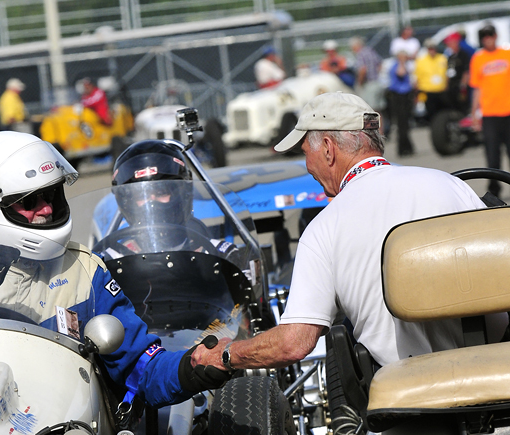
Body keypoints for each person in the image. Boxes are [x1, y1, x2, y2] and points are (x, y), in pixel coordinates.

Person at [0, 132, 227, 404]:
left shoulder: (84, 268)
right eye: (28, 201)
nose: (45, 209)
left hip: (65, 431)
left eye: (52, 195)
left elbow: (141, 366)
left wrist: (192, 365)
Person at [189, 92, 497, 376]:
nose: (306, 163)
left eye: (304, 150)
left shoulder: (324, 227)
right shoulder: (450, 184)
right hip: (492, 369)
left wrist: (226, 354)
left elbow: (293, 343)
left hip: (410, 392)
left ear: (327, 148)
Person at [97, 140, 240, 262]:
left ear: (183, 193)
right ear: (127, 202)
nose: (152, 202)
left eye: (161, 192)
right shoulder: (110, 261)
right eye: (142, 195)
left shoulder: (219, 254)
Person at [469, 22, 510, 198]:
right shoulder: (478, 59)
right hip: (490, 115)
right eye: (484, 37)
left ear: (495, 36)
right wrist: (474, 114)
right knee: (493, 157)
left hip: (508, 112)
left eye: (490, 36)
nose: (488, 40)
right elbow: (476, 88)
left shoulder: (507, 54)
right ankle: (494, 190)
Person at [387, 49, 415, 156]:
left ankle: (408, 146)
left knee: (406, 123)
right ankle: (402, 148)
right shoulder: (397, 66)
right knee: (401, 123)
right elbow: (401, 73)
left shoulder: (407, 65)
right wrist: (402, 62)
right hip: (398, 96)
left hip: (406, 96)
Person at [414, 39, 448, 120]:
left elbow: (446, 74)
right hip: (427, 91)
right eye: (430, 48)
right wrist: (417, 94)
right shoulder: (421, 61)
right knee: (431, 113)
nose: (432, 50)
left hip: (441, 91)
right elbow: (417, 78)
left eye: (433, 48)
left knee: (442, 112)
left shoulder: (442, 58)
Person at [350, 36, 384, 111]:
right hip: (377, 82)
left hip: (369, 85)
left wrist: (360, 83)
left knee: (370, 111)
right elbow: (380, 64)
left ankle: (373, 123)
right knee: (378, 111)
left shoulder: (360, 54)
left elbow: (363, 70)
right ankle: (380, 123)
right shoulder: (371, 51)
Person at [443, 30, 473, 111]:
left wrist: (463, 86)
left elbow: (466, 71)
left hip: (460, 85)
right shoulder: (450, 56)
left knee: (463, 105)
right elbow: (448, 71)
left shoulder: (463, 55)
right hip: (452, 86)